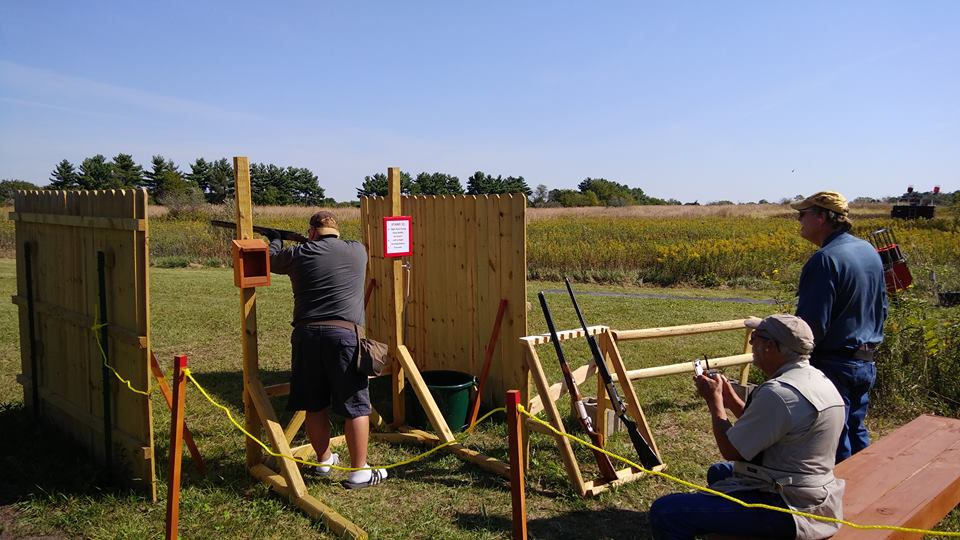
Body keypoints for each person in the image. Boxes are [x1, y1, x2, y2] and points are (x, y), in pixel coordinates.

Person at [649, 314, 846, 540]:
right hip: (814, 493)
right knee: (718, 472)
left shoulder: (779, 394)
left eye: (756, 337)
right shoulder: (814, 379)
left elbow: (732, 450)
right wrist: (730, 399)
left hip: (788, 505)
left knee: (667, 511)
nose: (752, 343)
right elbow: (769, 427)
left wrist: (715, 403)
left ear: (771, 347)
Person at [266, 210, 387, 489]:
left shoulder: (298, 253)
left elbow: (271, 260)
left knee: (314, 404)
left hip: (306, 336)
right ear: (337, 232)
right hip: (344, 336)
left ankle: (323, 460)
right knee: (356, 405)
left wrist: (275, 240)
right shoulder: (357, 251)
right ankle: (359, 471)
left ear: (311, 232)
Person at [791, 191, 887, 462]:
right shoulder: (867, 250)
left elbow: (810, 328)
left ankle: (847, 502)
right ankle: (872, 497)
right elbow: (882, 307)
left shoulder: (825, 260)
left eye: (803, 214)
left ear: (822, 217)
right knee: (856, 433)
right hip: (865, 361)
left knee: (835, 443)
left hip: (833, 365)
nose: (799, 220)